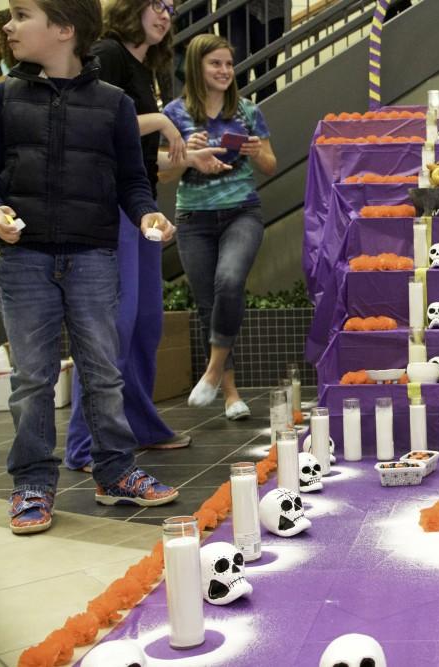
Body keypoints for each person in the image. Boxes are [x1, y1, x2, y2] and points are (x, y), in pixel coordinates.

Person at [0, 0, 180, 534]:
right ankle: (32, 482)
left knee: (103, 371)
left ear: (62, 29)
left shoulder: (116, 105)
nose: (8, 25)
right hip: (24, 260)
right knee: (32, 379)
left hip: (94, 256)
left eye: (21, 14)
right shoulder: (4, 98)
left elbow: (132, 180)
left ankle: (116, 471)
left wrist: (148, 214)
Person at [65, 0, 233, 473]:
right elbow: (93, 122)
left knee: (144, 324)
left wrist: (185, 159)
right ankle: (87, 442)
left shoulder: (146, 70)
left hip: (139, 206)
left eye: (172, 8)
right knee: (112, 327)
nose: (165, 14)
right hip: (107, 206)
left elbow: (137, 157)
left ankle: (138, 425)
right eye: (156, 4)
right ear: (132, 7)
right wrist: (162, 122)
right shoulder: (109, 53)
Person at [164, 34, 277, 418]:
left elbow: (270, 166)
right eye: (216, 64)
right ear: (197, 67)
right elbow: (164, 177)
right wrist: (188, 155)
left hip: (242, 212)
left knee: (229, 280)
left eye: (229, 64)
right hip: (193, 218)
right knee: (208, 303)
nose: (225, 71)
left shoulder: (247, 111)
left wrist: (255, 149)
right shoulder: (174, 115)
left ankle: (211, 372)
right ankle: (230, 393)